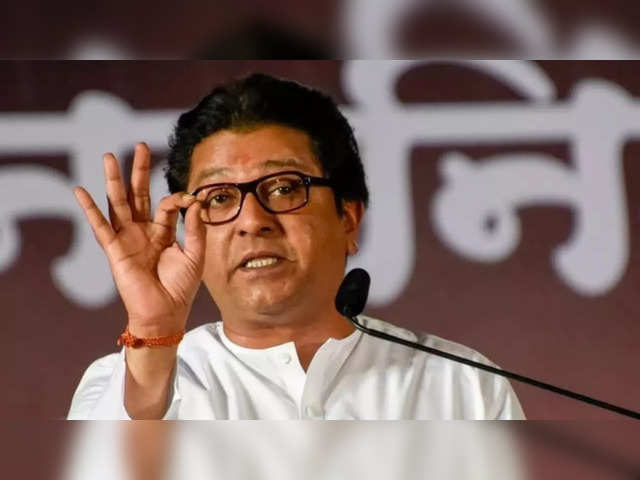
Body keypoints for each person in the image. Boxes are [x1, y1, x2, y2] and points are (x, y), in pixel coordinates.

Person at [67, 73, 525, 420]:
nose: (252, 221)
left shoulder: (461, 387)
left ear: (348, 218)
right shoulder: (122, 385)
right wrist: (152, 331)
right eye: (219, 198)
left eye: (285, 188)